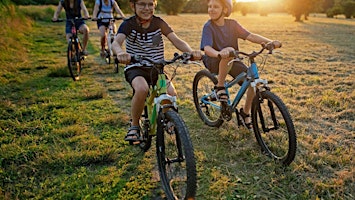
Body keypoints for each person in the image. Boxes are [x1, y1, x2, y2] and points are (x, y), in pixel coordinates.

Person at [112, 0, 202, 144]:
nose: (146, 8)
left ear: (155, 5)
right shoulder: (128, 24)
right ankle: (134, 125)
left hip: (157, 68)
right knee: (142, 89)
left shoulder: (159, 23)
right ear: (133, 6)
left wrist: (190, 52)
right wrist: (120, 53)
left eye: (150, 4)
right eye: (142, 4)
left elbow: (176, 40)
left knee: (171, 93)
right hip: (136, 67)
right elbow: (116, 42)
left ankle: (169, 120)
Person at [200, 0, 282, 129]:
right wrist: (219, 53)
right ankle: (220, 87)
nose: (211, 9)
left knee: (252, 83)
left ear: (225, 9)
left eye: (215, 7)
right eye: (209, 6)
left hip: (232, 60)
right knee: (229, 52)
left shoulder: (232, 24)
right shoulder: (208, 26)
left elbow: (250, 36)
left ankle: (245, 112)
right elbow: (207, 48)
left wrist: (269, 42)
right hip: (214, 59)